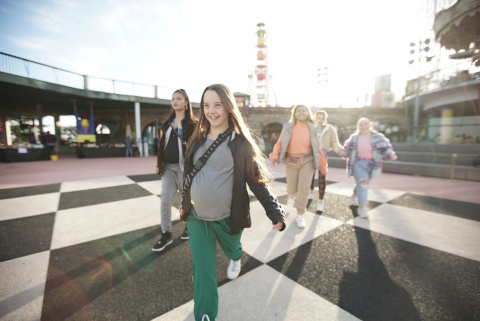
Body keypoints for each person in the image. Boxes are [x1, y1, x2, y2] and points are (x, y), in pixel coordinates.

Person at [180, 84, 286, 321]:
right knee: (203, 272)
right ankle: (206, 316)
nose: (211, 110)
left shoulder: (240, 143)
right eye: (206, 105)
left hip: (228, 217)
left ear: (228, 107)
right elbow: (189, 172)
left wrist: (275, 211)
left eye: (217, 104)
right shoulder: (196, 138)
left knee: (232, 248)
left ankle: (236, 255)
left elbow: (257, 180)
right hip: (197, 218)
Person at [153, 89, 198, 252]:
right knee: (165, 200)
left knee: (188, 201)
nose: (175, 101)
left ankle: (189, 226)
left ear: (186, 102)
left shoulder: (192, 124)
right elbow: (161, 146)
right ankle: (166, 233)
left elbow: (196, 147)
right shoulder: (167, 124)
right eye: (173, 99)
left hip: (184, 170)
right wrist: (160, 162)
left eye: (178, 99)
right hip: (168, 170)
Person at [269, 104, 327, 228]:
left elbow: (318, 147)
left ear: (308, 113)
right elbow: (280, 143)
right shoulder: (288, 127)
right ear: (294, 114)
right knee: (292, 188)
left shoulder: (312, 128)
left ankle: (300, 214)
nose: (301, 112)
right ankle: (291, 196)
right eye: (298, 111)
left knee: (304, 188)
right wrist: (275, 154)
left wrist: (322, 164)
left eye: (304, 110)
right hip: (291, 161)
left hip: (307, 161)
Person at [344, 117, 397, 218]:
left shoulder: (378, 137)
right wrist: (343, 152)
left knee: (363, 182)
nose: (363, 126)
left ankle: (354, 195)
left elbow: (386, 147)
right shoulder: (354, 137)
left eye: (365, 124)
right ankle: (363, 208)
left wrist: (390, 154)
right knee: (363, 184)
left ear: (370, 125)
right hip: (358, 163)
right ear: (358, 127)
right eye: (361, 124)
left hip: (373, 165)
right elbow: (347, 148)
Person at [307, 110, 347, 213]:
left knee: (322, 177)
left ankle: (321, 201)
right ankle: (310, 191)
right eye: (318, 118)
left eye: (322, 118)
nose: (320, 120)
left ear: (325, 119)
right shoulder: (310, 128)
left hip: (322, 155)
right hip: (310, 155)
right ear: (315, 118)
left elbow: (334, 142)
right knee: (310, 176)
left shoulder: (330, 129)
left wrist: (340, 150)